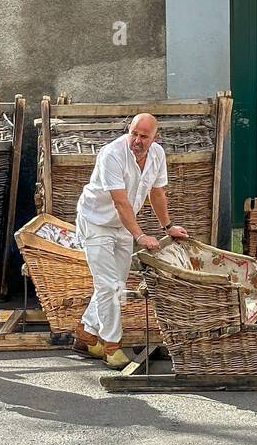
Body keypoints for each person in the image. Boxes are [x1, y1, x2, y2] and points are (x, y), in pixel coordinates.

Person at [74, 113, 188, 368]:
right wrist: (139, 235)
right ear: (129, 129)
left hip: (122, 225)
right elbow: (120, 201)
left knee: (117, 282)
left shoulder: (157, 154)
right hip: (96, 222)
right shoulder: (111, 154)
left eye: (144, 136)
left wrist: (167, 226)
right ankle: (112, 346)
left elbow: (156, 192)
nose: (137, 140)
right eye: (133, 133)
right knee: (108, 286)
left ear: (155, 137)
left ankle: (86, 332)